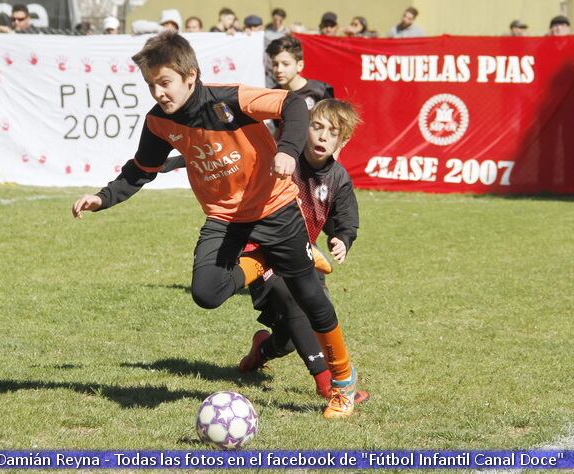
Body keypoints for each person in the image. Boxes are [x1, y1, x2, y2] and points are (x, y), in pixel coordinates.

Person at [71, 31, 363, 418]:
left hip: (275, 210)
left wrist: (289, 151)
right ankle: (259, 261)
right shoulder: (160, 123)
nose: (158, 92)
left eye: (165, 82)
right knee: (206, 292)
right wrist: (104, 197)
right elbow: (143, 168)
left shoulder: (231, 100)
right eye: (151, 85)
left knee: (310, 297)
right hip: (226, 219)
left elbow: (293, 104)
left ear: (190, 76)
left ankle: (343, 385)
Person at [161, 99, 367, 403]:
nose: (322, 136)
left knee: (291, 335)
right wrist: (176, 161)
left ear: (343, 140)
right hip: (261, 252)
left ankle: (264, 349)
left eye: (332, 132)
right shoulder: (281, 158)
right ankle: (328, 385)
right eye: (317, 127)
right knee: (293, 303)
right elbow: (229, 156)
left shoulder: (338, 180)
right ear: (303, 128)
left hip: (300, 259)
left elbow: (345, 220)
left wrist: (342, 239)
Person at [267, 36, 334, 111]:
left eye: (285, 64)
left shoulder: (320, 91)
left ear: (299, 66)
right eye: (275, 64)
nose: (279, 70)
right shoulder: (274, 95)